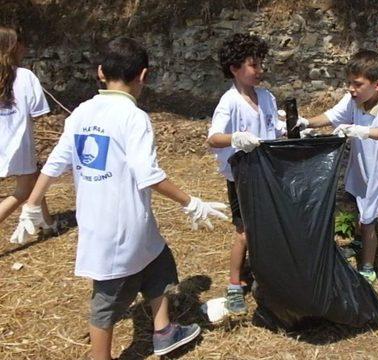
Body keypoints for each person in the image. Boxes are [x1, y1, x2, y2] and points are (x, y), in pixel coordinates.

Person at [11, 37, 228, 359]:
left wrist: (31, 205)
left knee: (160, 263)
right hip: (120, 228)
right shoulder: (134, 117)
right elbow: (148, 174)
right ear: (143, 76)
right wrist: (191, 202)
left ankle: (164, 331)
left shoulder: (82, 112)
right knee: (107, 301)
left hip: (115, 223)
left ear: (100, 72)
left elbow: (55, 163)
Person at [295, 50, 378, 283]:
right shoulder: (355, 99)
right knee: (356, 203)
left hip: (377, 170)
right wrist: (307, 121)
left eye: (357, 84)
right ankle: (358, 242)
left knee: (369, 218)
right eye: (349, 83)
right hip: (359, 163)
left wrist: (362, 131)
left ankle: (367, 266)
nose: (351, 89)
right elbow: (334, 115)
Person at [206, 33, 286, 314]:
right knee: (245, 232)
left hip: (267, 174)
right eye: (253, 65)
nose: (259, 70)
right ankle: (234, 284)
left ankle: (266, 275)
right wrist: (235, 138)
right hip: (241, 177)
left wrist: (290, 128)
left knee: (268, 225)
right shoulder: (230, 102)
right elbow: (213, 137)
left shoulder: (267, 97)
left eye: (261, 64)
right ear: (234, 69)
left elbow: (276, 129)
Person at [0, 26, 56, 235]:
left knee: (34, 180)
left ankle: (48, 224)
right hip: (18, 143)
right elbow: (39, 112)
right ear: (14, 47)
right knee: (22, 191)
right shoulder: (25, 76)